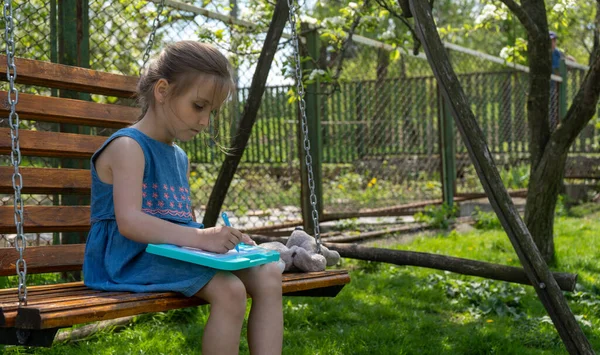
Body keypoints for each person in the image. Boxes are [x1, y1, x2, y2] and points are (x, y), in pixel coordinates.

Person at [83, 41, 283, 355]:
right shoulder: (128, 147)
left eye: (211, 112)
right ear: (162, 90)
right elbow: (130, 223)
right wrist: (201, 238)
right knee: (230, 290)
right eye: (199, 106)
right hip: (127, 258)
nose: (205, 122)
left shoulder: (178, 157)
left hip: (170, 252)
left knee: (269, 273)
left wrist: (229, 243)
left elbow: (179, 222)